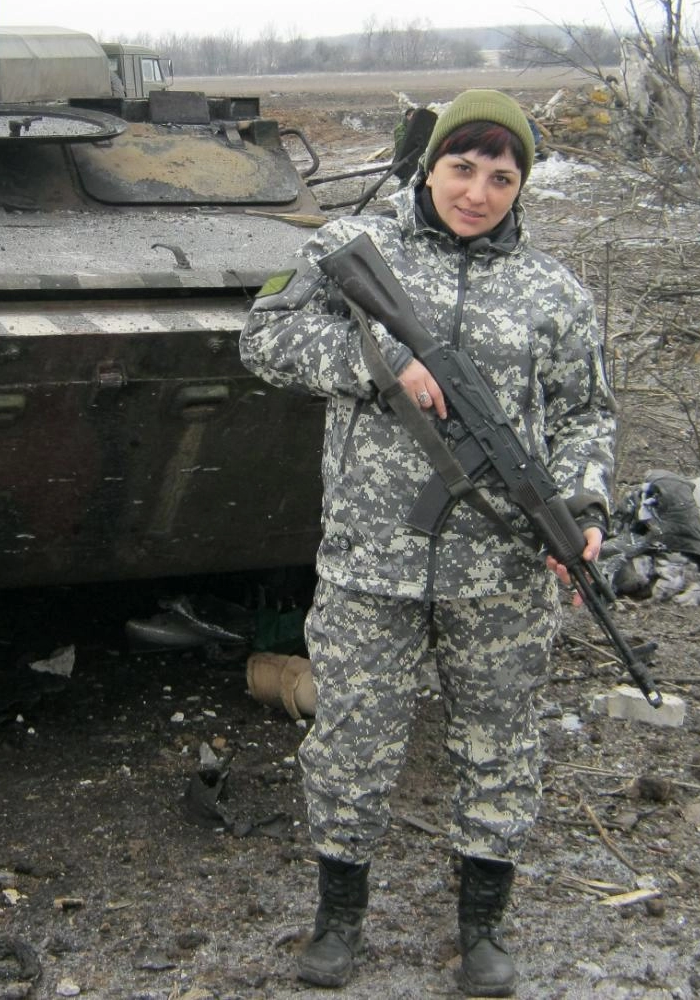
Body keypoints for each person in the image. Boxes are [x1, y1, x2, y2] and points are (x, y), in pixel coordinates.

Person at [239, 89, 616, 996]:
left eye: (501, 176)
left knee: (500, 744)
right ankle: (338, 920)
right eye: (461, 167)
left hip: (503, 571)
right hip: (372, 561)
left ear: (521, 187)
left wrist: (583, 510)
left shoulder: (554, 290)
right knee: (353, 744)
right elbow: (265, 337)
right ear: (430, 164)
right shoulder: (347, 252)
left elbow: (585, 415)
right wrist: (380, 366)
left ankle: (483, 929)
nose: (477, 192)